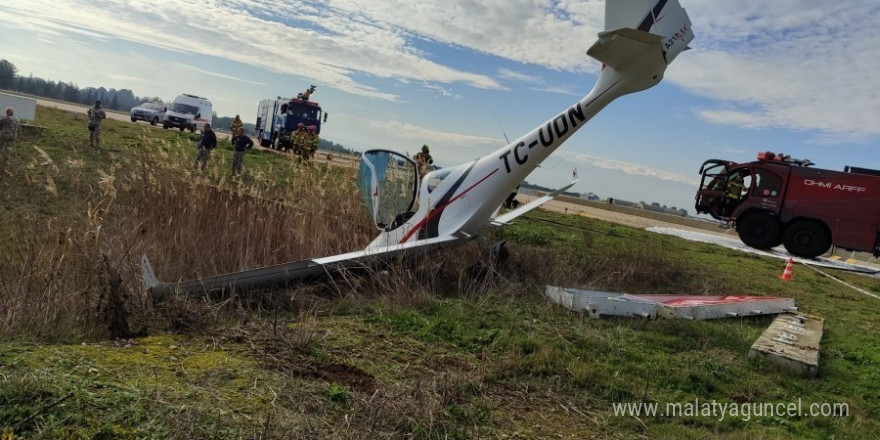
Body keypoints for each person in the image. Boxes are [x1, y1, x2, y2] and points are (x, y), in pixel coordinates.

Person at [0, 107, 20, 172]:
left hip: (4, 135)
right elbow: (19, 129)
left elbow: (0, 124)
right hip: (13, 136)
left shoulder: (6, 118)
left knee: (1, 146)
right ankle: (6, 164)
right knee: (9, 149)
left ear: (7, 113)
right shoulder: (17, 119)